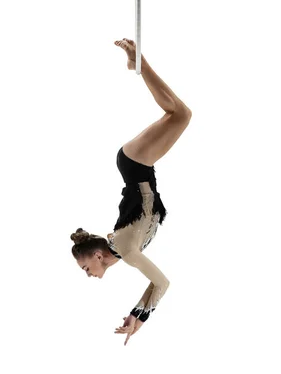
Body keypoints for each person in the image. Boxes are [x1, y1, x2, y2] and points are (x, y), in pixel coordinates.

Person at [70, 38, 192, 344]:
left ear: (97, 255)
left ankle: (138, 61)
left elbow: (162, 282)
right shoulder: (118, 249)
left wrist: (142, 314)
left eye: (87, 267)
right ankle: (137, 63)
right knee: (177, 114)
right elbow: (155, 283)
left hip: (136, 164)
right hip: (138, 166)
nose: (90, 274)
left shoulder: (123, 249)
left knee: (181, 115)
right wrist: (136, 317)